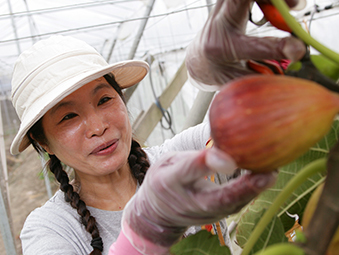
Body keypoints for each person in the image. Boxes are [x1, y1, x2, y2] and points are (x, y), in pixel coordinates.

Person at [10, 0, 305, 254]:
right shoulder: (52, 229)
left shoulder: (176, 159)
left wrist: (266, 65)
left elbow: (238, 129)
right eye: (68, 117)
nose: (98, 126)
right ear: (43, 142)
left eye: (103, 99)